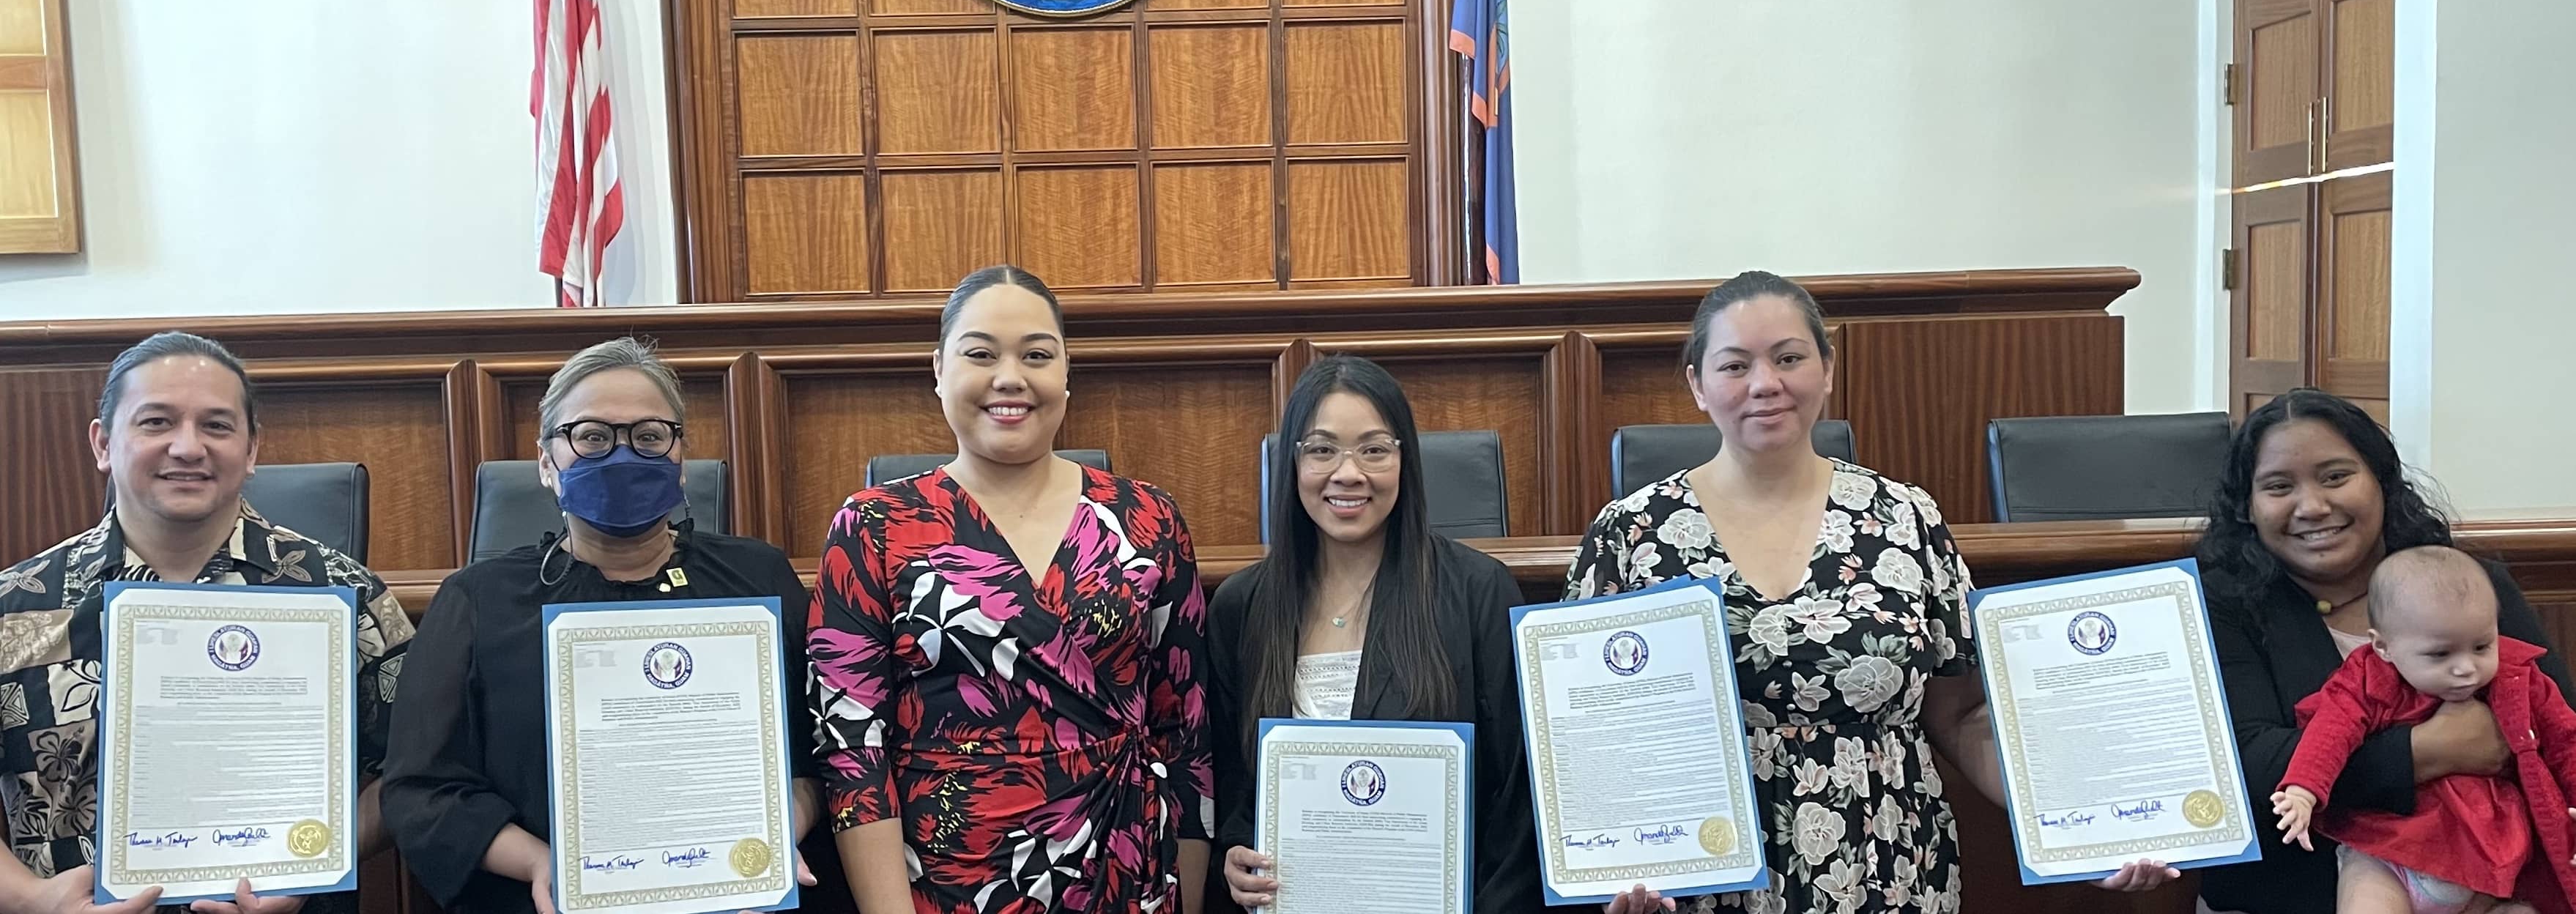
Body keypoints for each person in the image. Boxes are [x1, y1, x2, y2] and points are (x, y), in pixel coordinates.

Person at [1564, 271, 2172, 914]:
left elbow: (1963, 716)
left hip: (1888, 866)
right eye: (1734, 364)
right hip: (1701, 884)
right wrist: (1609, 869)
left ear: (1826, 368)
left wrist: (2087, 832)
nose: (1764, 382)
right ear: (1696, 384)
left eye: (1789, 357)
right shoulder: (1630, 533)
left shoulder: (1904, 518)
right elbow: (1584, 734)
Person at [809, 265, 1213, 914]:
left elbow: (1185, 730)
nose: (1010, 377)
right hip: (949, 875)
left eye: (1036, 355)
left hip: (1126, 866)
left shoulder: (1148, 518)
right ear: (938, 369)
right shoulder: (874, 526)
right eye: (980, 354)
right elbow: (853, 745)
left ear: (1065, 372)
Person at [381, 336, 820, 914]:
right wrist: (543, 863)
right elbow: (422, 789)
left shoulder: (756, 577)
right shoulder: (478, 600)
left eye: (648, 436)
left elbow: (822, 752)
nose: (622, 456)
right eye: (591, 437)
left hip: (740, 894)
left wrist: (777, 831)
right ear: (546, 462)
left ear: (679, 459)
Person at [0, 332, 414, 914]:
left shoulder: (345, 594)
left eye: (217, 426)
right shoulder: (15, 607)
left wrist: (312, 869)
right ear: (103, 442)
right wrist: (31, 899)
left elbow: (416, 768)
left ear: (251, 450)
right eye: (156, 422)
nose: (188, 447)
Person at [2199, 390, 2576, 914]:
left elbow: (2556, 723)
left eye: (2335, 476)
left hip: (2496, 880)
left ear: (2380, 479)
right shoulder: (2224, 604)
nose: (2311, 505)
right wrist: (2431, 748)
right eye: (2278, 486)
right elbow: (2249, 767)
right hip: (2304, 891)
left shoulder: (2466, 585)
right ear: (2247, 505)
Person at [1209, 355, 1540, 913]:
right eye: (1321, 449)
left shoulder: (1476, 590)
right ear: (1291, 463)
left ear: (1403, 460)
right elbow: (1232, 789)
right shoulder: (1242, 607)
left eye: (1373, 448)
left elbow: (1516, 798)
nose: (1347, 473)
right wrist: (1235, 861)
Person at [2271, 546, 2576, 914]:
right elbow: (2329, 734)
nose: (2466, 668)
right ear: (2383, 646)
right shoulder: (2366, 682)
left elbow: (2567, 742)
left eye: (2482, 646)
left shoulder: (2521, 679)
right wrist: (2303, 790)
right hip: (2386, 855)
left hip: (2495, 858)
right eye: (2440, 655)